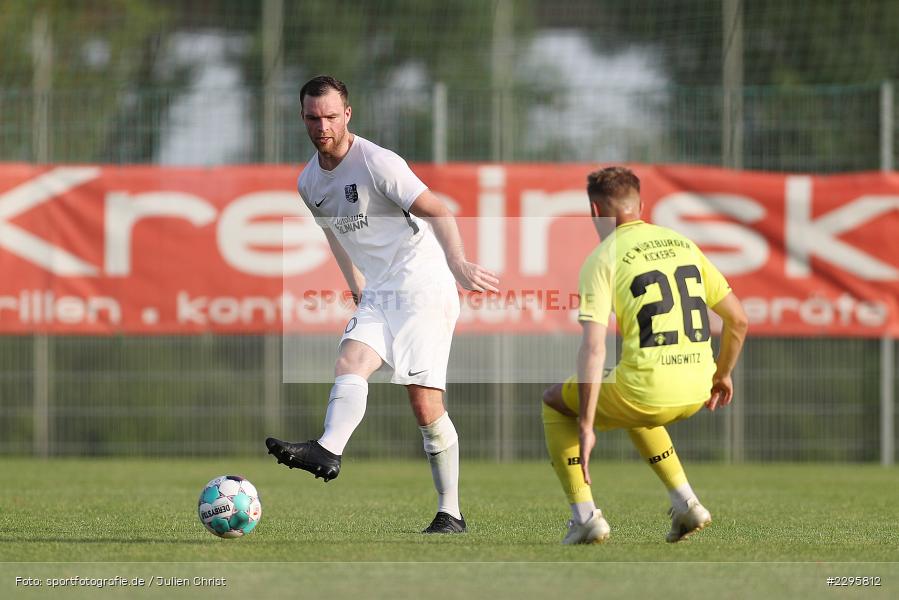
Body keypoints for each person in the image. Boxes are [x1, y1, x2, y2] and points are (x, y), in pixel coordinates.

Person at [266, 75, 499, 534]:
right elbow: (334, 236)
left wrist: (457, 263)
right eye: (313, 118)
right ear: (303, 118)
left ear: (347, 114)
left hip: (422, 281)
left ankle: (450, 511)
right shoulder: (309, 181)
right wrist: (357, 289)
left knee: (424, 405)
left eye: (331, 116)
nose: (322, 126)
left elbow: (438, 210)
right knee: (350, 360)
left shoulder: (377, 163)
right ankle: (328, 450)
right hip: (381, 289)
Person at [541, 166, 748, 544]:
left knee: (555, 404)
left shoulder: (602, 257)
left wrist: (585, 426)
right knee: (627, 392)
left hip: (647, 391)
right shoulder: (683, 243)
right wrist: (722, 374)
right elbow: (738, 321)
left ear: (594, 210)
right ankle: (686, 503)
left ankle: (585, 517)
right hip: (699, 390)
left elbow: (593, 346)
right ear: (641, 205)